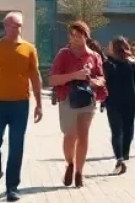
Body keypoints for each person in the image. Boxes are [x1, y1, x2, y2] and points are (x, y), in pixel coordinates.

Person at [0, 10, 43, 203]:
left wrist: (39, 104)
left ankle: (12, 186)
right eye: (11, 25)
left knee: (16, 146)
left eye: (18, 25)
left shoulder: (29, 49)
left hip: (20, 104)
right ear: (4, 26)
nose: (15, 29)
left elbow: (35, 77)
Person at [49, 21, 106, 188]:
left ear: (86, 36)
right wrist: (75, 75)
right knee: (70, 136)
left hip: (87, 100)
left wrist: (95, 81)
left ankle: (80, 172)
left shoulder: (94, 56)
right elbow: (52, 79)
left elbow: (102, 78)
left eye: (79, 34)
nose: (75, 38)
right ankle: (70, 163)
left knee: (83, 135)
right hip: (67, 99)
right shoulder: (63, 54)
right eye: (72, 34)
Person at [103, 35, 135, 174]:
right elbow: (103, 83)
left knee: (126, 131)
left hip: (129, 102)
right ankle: (120, 159)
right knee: (117, 131)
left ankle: (123, 156)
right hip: (113, 103)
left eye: (112, 46)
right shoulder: (108, 64)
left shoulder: (133, 65)